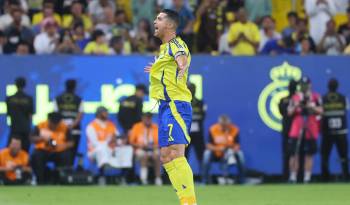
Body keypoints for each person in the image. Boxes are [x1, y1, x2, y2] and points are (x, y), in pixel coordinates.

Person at [144, 9, 197, 205]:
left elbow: (181, 56)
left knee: (176, 151)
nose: (154, 21)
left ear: (170, 25)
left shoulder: (175, 44)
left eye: (158, 18)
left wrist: (182, 64)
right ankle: (184, 200)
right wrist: (157, 68)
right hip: (165, 106)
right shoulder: (164, 49)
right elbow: (171, 65)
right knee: (166, 156)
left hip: (177, 105)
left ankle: (190, 203)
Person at [287, 77, 323, 183]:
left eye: (306, 84)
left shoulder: (315, 97)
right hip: (297, 128)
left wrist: (311, 107)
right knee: (294, 153)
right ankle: (293, 177)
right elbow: (289, 112)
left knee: (309, 154)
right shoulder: (295, 97)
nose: (304, 87)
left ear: (310, 85)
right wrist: (297, 105)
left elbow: (321, 110)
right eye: (303, 84)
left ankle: (307, 177)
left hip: (311, 128)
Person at [86, 106, 133, 184]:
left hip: (110, 149)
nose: (107, 114)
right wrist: (108, 142)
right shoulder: (91, 126)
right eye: (105, 112)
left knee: (127, 148)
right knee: (102, 148)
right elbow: (94, 143)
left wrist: (122, 141)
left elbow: (117, 138)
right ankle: (102, 176)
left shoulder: (111, 125)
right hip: (94, 151)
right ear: (99, 114)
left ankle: (122, 176)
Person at [30, 112, 74, 185]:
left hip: (59, 150)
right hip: (43, 150)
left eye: (57, 124)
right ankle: (40, 180)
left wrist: (63, 146)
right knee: (36, 155)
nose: (55, 126)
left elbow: (71, 142)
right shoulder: (41, 125)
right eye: (53, 123)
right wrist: (42, 138)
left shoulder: (64, 127)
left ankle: (62, 180)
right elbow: (32, 138)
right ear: (49, 120)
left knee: (67, 155)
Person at [202, 115, 245, 185]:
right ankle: (205, 180)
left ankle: (242, 180)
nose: (225, 127)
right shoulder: (213, 129)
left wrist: (233, 150)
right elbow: (208, 145)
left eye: (226, 125)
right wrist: (218, 148)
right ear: (219, 124)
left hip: (230, 153)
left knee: (240, 154)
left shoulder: (234, 129)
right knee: (207, 154)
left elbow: (237, 144)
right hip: (216, 153)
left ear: (229, 124)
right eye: (223, 125)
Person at [321, 78, 349, 181]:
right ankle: (346, 176)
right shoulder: (343, 98)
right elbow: (345, 110)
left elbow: (320, 112)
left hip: (327, 132)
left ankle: (325, 178)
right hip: (341, 131)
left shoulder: (323, 98)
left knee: (325, 155)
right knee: (343, 155)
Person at [53, 79, 83, 164]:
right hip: (74, 129)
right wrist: (72, 125)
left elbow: (55, 114)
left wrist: (64, 125)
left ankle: (63, 171)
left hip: (62, 129)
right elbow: (80, 115)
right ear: (75, 87)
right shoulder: (79, 99)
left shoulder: (57, 99)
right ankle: (68, 170)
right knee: (72, 151)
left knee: (60, 150)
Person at [129, 112, 162, 185]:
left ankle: (158, 179)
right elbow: (131, 142)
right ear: (142, 118)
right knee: (144, 156)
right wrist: (140, 145)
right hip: (140, 149)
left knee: (157, 156)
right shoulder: (137, 127)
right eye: (146, 118)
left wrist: (155, 146)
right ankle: (143, 179)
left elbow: (161, 141)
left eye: (149, 118)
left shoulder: (155, 127)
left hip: (153, 148)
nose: (148, 119)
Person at [6, 77, 34, 152]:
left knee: (11, 152)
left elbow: (8, 115)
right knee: (25, 151)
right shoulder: (29, 99)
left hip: (14, 129)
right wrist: (30, 129)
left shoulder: (9, 99)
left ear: (15, 85)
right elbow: (31, 115)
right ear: (25, 85)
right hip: (25, 129)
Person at [186, 83, 206, 180]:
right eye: (189, 88)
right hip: (186, 133)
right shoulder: (183, 101)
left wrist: (191, 117)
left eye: (192, 89)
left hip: (198, 133)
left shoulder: (200, 102)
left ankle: (204, 178)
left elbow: (202, 116)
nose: (191, 90)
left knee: (201, 155)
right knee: (184, 156)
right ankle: (183, 179)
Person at [279, 80, 298, 179]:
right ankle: (298, 176)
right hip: (296, 129)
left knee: (286, 153)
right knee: (297, 153)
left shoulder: (283, 100)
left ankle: (286, 175)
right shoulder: (298, 100)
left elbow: (282, 113)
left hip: (286, 128)